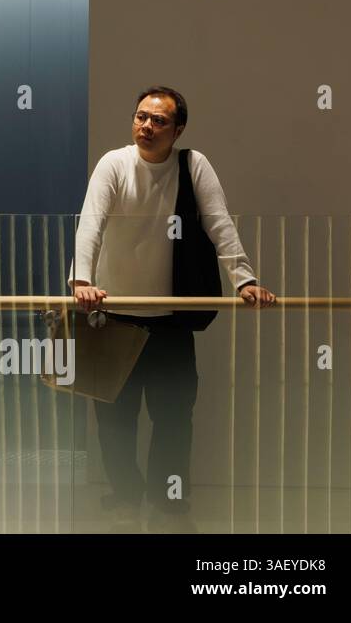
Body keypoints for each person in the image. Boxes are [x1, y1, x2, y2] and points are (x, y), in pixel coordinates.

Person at [70, 85, 276, 532]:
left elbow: (220, 224)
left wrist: (246, 280)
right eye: (141, 116)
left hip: (169, 324)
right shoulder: (114, 163)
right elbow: (91, 222)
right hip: (112, 319)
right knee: (114, 423)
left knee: (173, 420)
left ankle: (168, 505)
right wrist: (81, 280)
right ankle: (125, 499)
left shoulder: (193, 165)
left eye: (159, 120)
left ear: (177, 129)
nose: (146, 126)